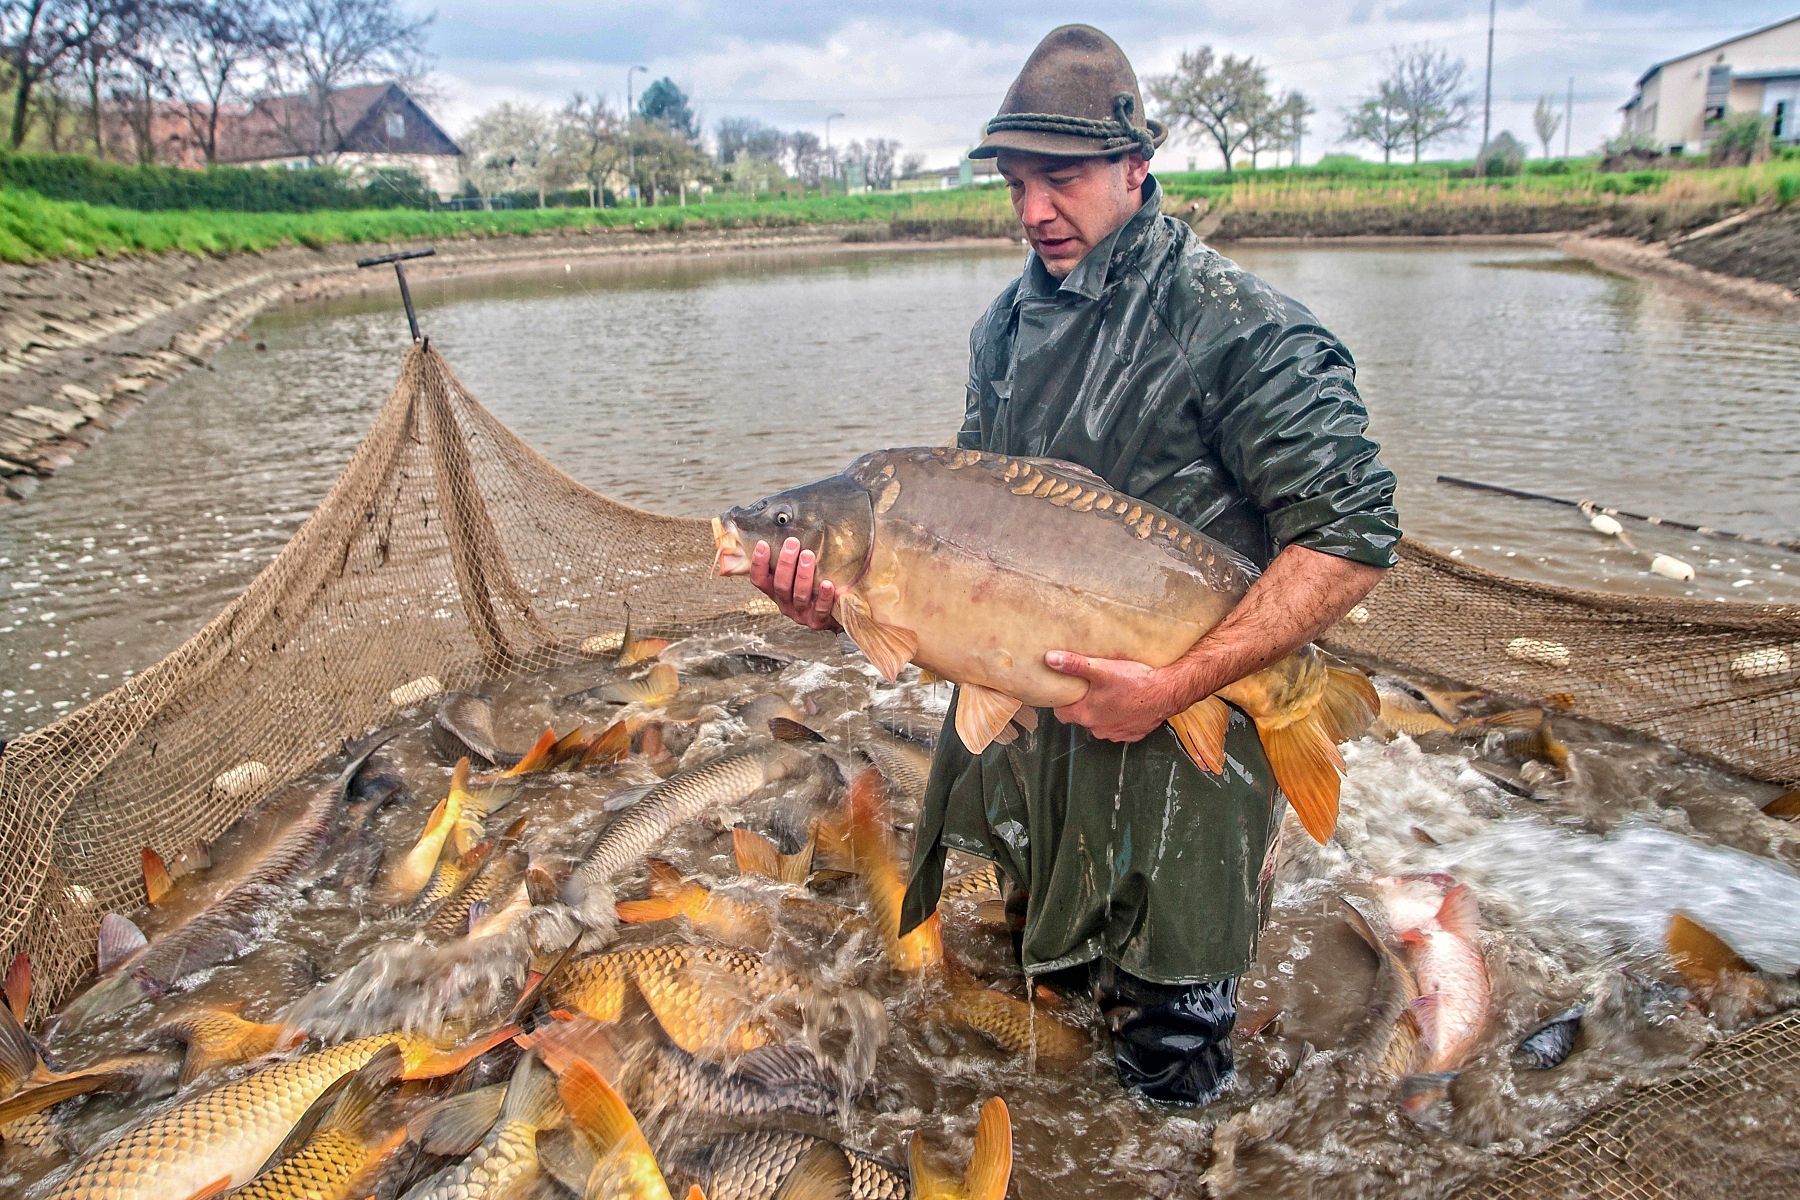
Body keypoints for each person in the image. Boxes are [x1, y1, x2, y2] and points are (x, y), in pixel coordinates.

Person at [750, 24, 1400, 1106]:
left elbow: (1351, 537)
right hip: (1036, 720)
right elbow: (946, 558)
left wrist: (1177, 688)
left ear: (1137, 166)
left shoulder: (1242, 329)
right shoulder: (1005, 328)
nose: (1033, 211)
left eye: (1062, 178)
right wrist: (843, 599)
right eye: (1016, 182)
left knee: (1168, 1063)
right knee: (1042, 987)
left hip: (1189, 726)